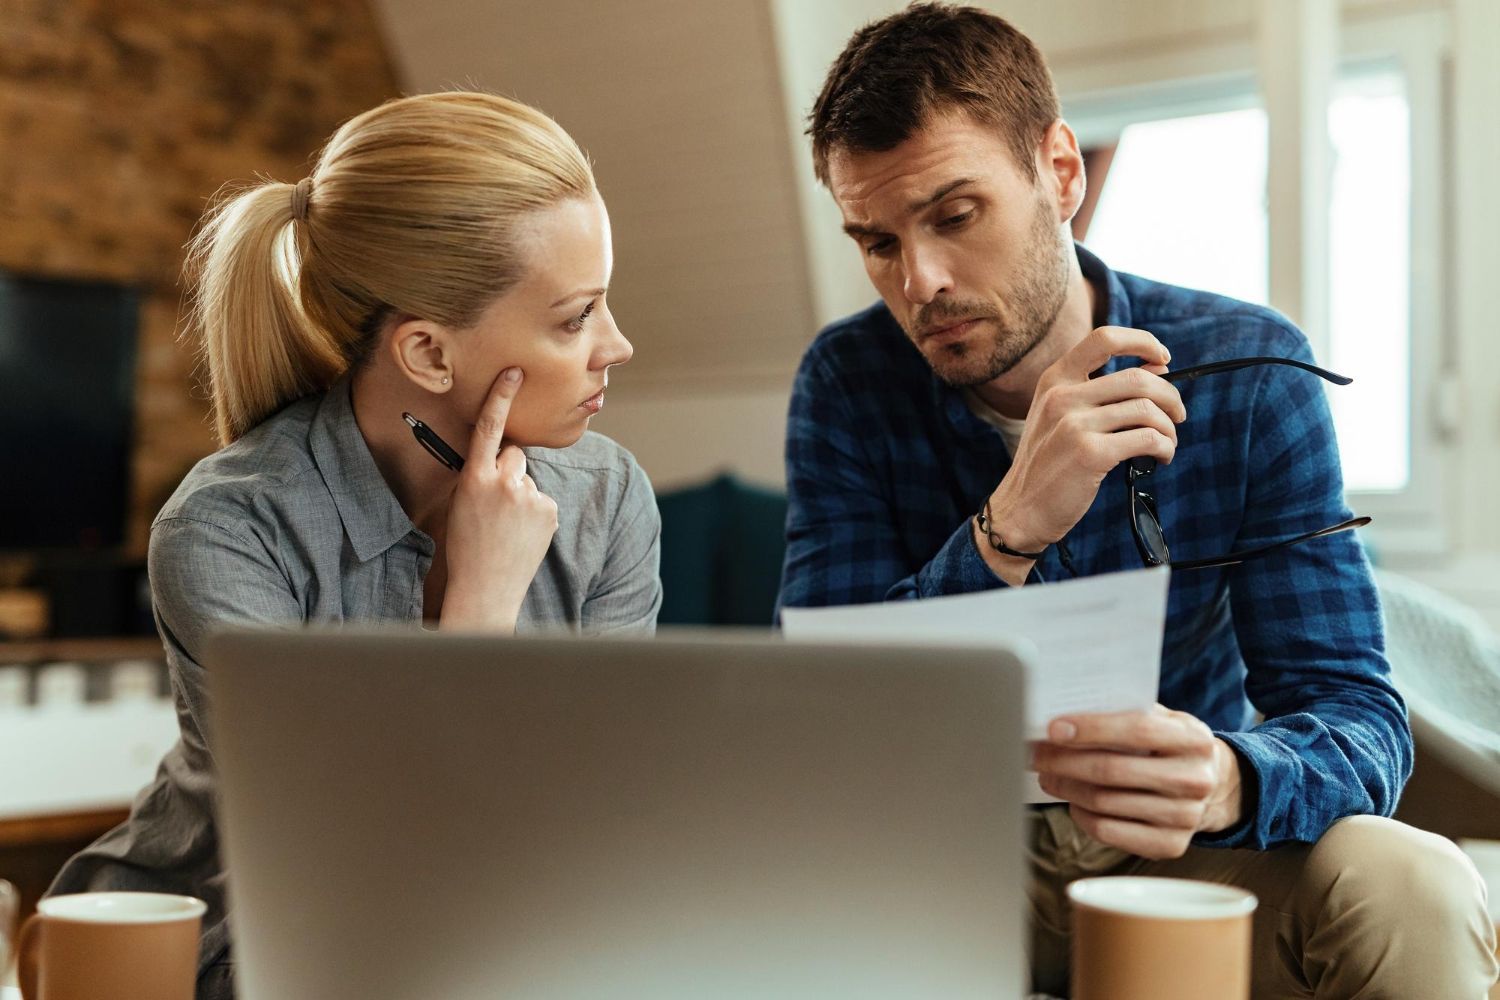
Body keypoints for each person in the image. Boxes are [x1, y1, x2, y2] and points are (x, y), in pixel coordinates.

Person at [778, 4, 1496, 996]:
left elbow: (1355, 712)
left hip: (1183, 855)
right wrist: (1009, 527)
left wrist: (1231, 779)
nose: (920, 280)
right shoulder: (847, 383)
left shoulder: (1249, 374)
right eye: (876, 241)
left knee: (1413, 878)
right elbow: (821, 721)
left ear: (1060, 173)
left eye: (953, 215)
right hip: (946, 866)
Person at [46, 91, 661, 999]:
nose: (620, 345)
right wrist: (480, 611)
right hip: (233, 951)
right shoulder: (229, 531)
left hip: (490, 941)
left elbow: (598, 817)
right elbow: (354, 869)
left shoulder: (607, 498)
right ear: (428, 354)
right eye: (576, 318)